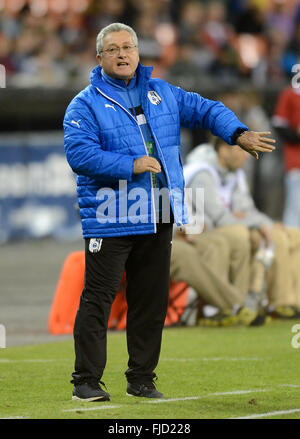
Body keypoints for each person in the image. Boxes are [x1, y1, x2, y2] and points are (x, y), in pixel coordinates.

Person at [63, 22, 275, 402]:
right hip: (110, 216)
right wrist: (130, 165)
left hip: (158, 213)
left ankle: (141, 378)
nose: (123, 54)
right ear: (99, 58)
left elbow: (207, 109)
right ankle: (85, 382)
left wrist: (237, 132)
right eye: (113, 49)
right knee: (98, 299)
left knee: (151, 300)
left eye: (128, 47)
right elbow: (79, 155)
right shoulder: (84, 103)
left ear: (139, 53)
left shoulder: (163, 93)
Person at [183, 140, 300, 320]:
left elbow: (246, 210)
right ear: (223, 151)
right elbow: (219, 218)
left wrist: (266, 223)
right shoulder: (202, 174)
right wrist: (259, 225)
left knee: (293, 235)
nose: (245, 155)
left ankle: (292, 301)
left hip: (231, 227)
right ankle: (264, 303)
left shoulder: (233, 174)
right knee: (258, 236)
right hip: (202, 231)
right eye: (240, 149)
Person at [272, 85, 300, 227]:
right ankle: (292, 247)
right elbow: (278, 124)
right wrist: (296, 134)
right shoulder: (290, 93)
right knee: (295, 209)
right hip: (296, 160)